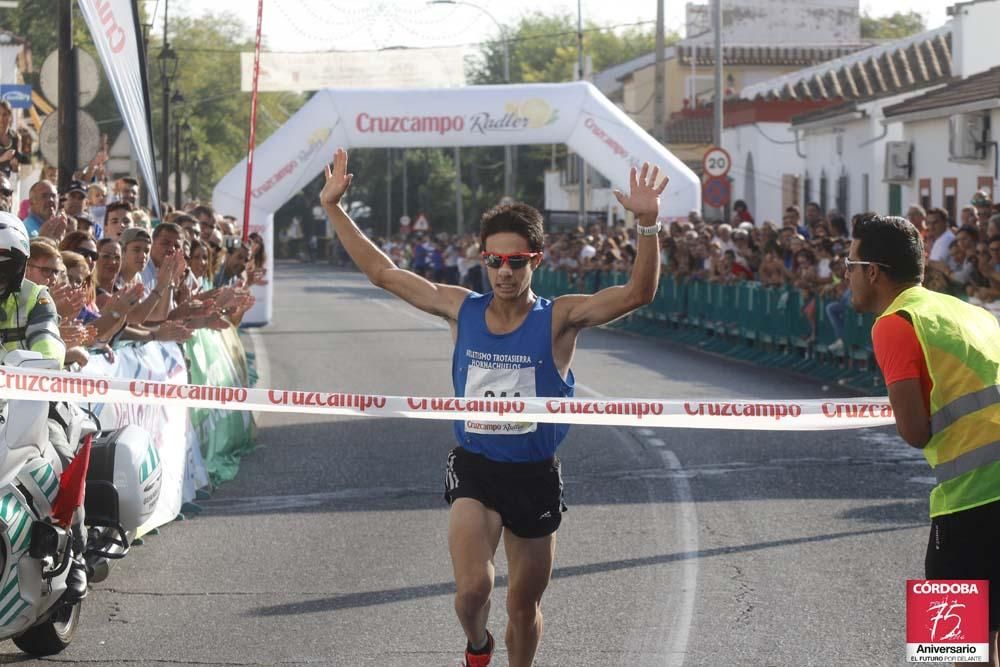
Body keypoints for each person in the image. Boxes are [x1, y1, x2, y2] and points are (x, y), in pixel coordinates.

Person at [319, 147, 667, 667]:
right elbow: (384, 274)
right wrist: (334, 208)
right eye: (494, 261)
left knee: (522, 607)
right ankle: (477, 645)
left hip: (534, 475)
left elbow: (638, 293)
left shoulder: (561, 319)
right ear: (483, 259)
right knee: (473, 590)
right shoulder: (461, 307)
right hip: (476, 467)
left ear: (536, 261)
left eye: (516, 262)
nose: (503, 272)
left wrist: (646, 226)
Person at [845, 214, 1000, 667]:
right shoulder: (966, 309)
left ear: (873, 271)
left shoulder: (894, 322)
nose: (847, 275)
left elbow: (914, 432)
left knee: (955, 644)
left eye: (850, 263)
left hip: (972, 497)